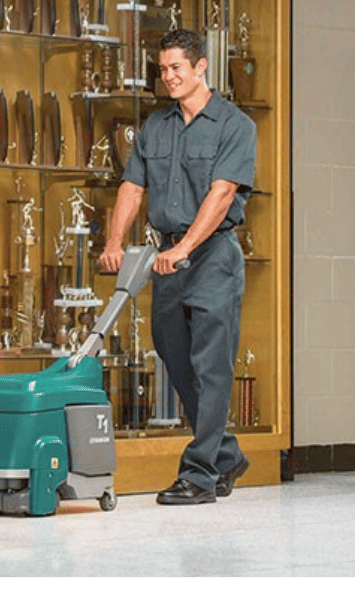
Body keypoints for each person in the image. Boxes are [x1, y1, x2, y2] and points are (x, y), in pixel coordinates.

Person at [99, 28, 256, 505]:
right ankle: (226, 454)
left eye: (176, 69)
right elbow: (132, 186)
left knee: (211, 366)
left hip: (211, 256)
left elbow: (222, 192)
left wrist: (187, 245)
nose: (167, 77)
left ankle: (200, 474)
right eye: (162, 69)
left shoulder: (234, 125)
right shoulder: (156, 126)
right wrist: (114, 242)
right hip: (165, 259)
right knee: (172, 352)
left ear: (201, 67)